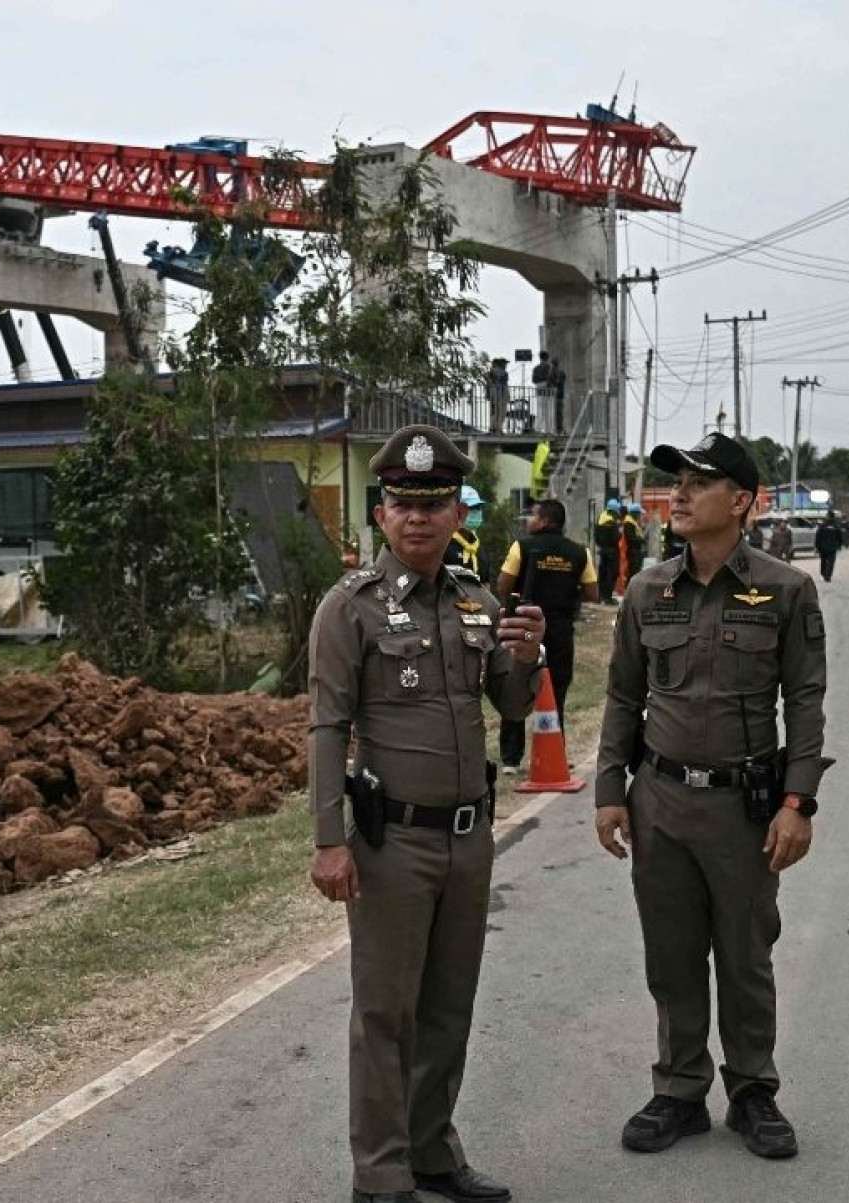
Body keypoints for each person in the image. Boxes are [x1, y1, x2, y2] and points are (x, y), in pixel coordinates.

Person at [308, 424, 543, 1203]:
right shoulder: (350, 608)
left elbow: (509, 705)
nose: (419, 518)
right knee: (385, 1012)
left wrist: (530, 656)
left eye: (435, 503)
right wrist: (328, 840)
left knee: (448, 1005)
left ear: (457, 514)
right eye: (404, 504)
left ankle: (434, 1151)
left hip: (470, 838)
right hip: (392, 842)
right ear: (381, 513)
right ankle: (380, 1174)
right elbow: (327, 728)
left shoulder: (478, 599)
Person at [594, 431, 829, 1162]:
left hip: (743, 807)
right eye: (678, 483)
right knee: (670, 954)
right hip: (659, 796)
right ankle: (679, 1089)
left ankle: (753, 1089)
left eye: (699, 482)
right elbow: (623, 695)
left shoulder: (786, 591)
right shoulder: (647, 589)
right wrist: (610, 789)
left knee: (744, 953)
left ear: (742, 501)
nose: (682, 495)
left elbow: (807, 701)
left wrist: (799, 802)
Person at [496, 499, 600, 768]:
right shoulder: (579, 552)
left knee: (516, 683)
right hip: (560, 630)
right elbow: (592, 593)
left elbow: (503, 585)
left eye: (532, 515)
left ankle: (510, 759)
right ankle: (555, 752)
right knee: (557, 690)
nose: (528, 520)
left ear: (544, 521)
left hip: (525, 625)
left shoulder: (523, 546)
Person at [445, 485, 486, 576]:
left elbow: (485, 584)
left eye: (478, 508)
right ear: (458, 511)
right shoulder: (443, 545)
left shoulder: (477, 547)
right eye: (471, 508)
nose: (476, 512)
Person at [595, 499, 624, 606]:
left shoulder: (600, 518)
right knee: (612, 573)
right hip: (612, 551)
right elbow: (616, 537)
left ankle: (600, 596)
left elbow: (596, 537)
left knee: (603, 574)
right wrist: (620, 532)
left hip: (603, 550)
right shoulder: (613, 521)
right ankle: (608, 598)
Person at [814, 512, 845, 582]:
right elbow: (840, 537)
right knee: (831, 562)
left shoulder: (823, 525)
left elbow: (818, 536)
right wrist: (839, 545)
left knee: (823, 561)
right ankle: (828, 576)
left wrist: (817, 546)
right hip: (832, 548)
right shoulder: (836, 526)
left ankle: (823, 574)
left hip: (823, 547)